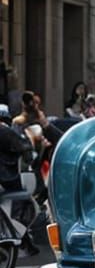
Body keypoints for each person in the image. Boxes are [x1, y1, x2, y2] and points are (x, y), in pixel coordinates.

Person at [0, 103, 40, 255]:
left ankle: (24, 242)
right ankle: (22, 240)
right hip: (7, 179)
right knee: (23, 204)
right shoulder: (5, 131)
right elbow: (25, 147)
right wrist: (29, 158)